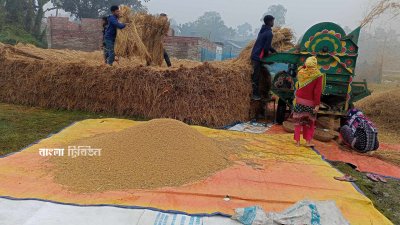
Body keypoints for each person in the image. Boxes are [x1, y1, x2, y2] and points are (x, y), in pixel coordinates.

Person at [293, 56, 325, 147]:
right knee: (309, 122)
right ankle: (307, 142)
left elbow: (303, 68)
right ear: (315, 64)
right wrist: (317, 105)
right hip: (309, 102)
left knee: (298, 121)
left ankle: (297, 142)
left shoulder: (301, 72)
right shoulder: (318, 75)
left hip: (299, 100)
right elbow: (317, 92)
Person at [250, 15, 277, 100]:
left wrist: (273, 50)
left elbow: (266, 45)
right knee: (256, 76)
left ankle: (262, 94)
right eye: (272, 21)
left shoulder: (262, 31)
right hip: (258, 56)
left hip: (254, 54)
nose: (273, 23)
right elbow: (265, 48)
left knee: (262, 74)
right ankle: (254, 95)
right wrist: (267, 57)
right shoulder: (269, 33)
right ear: (269, 22)